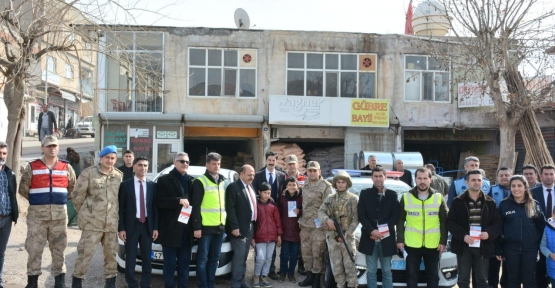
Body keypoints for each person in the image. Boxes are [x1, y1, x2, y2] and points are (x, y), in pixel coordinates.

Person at [18, 136, 76, 288]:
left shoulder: (66, 167)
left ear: (58, 148)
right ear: (42, 148)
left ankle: (60, 282)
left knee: (59, 249)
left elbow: (72, 189)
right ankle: (32, 282)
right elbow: (23, 189)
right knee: (34, 248)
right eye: (48, 146)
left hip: (59, 215)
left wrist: (57, 200)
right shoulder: (32, 167)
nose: (52, 148)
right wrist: (40, 201)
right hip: (37, 216)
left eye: (55, 146)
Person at [71, 145, 123, 288]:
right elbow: (77, 196)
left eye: (112, 158)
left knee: (111, 256)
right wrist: (86, 214)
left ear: (115, 159)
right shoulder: (89, 173)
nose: (110, 160)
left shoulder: (118, 175)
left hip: (111, 224)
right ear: (101, 158)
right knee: (85, 254)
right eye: (107, 157)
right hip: (92, 224)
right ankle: (77, 282)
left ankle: (110, 284)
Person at [447, 169, 502, 288]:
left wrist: (489, 233)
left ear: (482, 182)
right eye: (473, 180)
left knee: (482, 280)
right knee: (463, 280)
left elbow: (497, 223)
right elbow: (450, 222)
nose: (476, 182)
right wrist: (463, 236)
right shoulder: (457, 201)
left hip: (483, 246)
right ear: (467, 182)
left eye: (479, 180)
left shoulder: (490, 202)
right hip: (464, 246)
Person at [397, 167, 448, 288]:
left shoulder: (439, 197)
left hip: (433, 245)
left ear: (430, 180)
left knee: (433, 276)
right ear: (415, 179)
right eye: (419, 178)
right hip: (411, 244)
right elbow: (400, 220)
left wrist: (443, 241)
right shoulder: (406, 197)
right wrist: (399, 240)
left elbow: (445, 221)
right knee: (411, 276)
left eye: (425, 178)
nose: (422, 181)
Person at [497, 175, 546, 288]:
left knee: (529, 281)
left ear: (525, 187)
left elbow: (541, 226)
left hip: (530, 250)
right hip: (510, 249)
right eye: (513, 186)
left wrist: (535, 243)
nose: (516, 189)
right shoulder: (504, 205)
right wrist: (499, 248)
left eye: (519, 185)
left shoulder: (534, 204)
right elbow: (499, 228)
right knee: (513, 280)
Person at [118, 157, 158, 288]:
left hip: (147, 226)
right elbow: (121, 209)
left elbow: (154, 208)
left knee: (147, 257)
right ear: (134, 167)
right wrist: (121, 228)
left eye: (146, 165)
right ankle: (132, 284)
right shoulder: (125, 185)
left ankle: (145, 284)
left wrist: (155, 227)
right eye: (140, 165)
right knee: (130, 258)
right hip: (131, 226)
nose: (143, 168)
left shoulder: (152, 185)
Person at [156, 152, 194, 288]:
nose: (185, 164)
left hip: (186, 231)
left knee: (184, 263)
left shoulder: (190, 180)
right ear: (174, 162)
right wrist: (178, 201)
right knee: (170, 264)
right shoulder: (164, 180)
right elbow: (160, 202)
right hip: (170, 230)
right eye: (182, 161)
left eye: (187, 162)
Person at [357, 166, 400, 288]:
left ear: (385, 177)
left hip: (386, 239)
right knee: (371, 271)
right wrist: (372, 230)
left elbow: (395, 217)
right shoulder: (365, 194)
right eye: (375, 176)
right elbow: (361, 215)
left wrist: (381, 231)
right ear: (372, 177)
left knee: (387, 271)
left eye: (380, 176)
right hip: (369, 238)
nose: (378, 179)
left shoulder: (392, 195)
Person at [190, 152, 226, 288]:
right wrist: (197, 227)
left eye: (218, 164)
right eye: (213, 164)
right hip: (205, 228)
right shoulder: (200, 181)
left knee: (214, 258)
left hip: (220, 227)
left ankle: (211, 284)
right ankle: (203, 285)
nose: (217, 166)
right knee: (202, 259)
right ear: (207, 165)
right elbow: (196, 206)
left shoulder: (222, 181)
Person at [318, 171, 359, 288]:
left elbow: (357, 218)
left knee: (350, 268)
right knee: (337, 268)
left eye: (343, 182)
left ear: (347, 184)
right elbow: (320, 212)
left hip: (347, 239)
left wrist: (348, 233)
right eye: (338, 182)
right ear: (335, 184)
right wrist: (327, 220)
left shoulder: (353, 199)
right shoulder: (330, 199)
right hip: (333, 238)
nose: (341, 185)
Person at [298, 161, 333, 288]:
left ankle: (317, 279)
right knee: (306, 252)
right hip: (305, 225)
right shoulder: (305, 184)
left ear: (319, 172)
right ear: (307, 172)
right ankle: (309, 276)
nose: (312, 173)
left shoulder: (326, 186)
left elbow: (329, 208)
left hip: (319, 227)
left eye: (314, 171)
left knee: (318, 252)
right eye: (310, 171)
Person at [252, 150, 286, 280]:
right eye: (269, 160)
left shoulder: (282, 176)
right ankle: (257, 273)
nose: (271, 163)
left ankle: (270, 270)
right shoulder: (258, 175)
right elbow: (254, 193)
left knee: (272, 245)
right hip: (261, 213)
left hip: (275, 213)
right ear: (266, 161)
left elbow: (282, 194)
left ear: (276, 161)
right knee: (260, 248)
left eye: (273, 160)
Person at [225, 164, 257, 288]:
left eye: (253, 175)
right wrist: (234, 227)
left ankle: (242, 281)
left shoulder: (250, 187)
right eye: (249, 175)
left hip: (249, 227)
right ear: (241, 174)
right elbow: (230, 209)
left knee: (244, 256)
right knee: (238, 257)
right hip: (238, 229)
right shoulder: (233, 187)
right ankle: (236, 283)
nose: (252, 177)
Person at [252, 182, 282, 288]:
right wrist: (252, 237)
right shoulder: (255, 205)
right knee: (260, 258)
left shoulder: (273, 206)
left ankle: (264, 276)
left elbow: (277, 221)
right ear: (259, 192)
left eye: (269, 193)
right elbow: (252, 223)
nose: (267, 195)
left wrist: (279, 235)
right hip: (260, 237)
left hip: (272, 237)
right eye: (265, 193)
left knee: (269, 258)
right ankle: (256, 276)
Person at [486, 167, 512, 288]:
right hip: (495, 231)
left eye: (506, 175)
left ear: (511, 176)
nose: (504, 177)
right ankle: (492, 284)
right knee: (493, 263)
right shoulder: (491, 190)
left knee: (508, 262)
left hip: (510, 231)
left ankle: (505, 284)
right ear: (497, 177)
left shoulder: (516, 190)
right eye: (501, 175)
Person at [531, 164, 555, 288]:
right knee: (540, 271)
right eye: (546, 174)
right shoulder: (532, 193)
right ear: (540, 176)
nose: (549, 177)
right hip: (538, 235)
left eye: (551, 174)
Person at [284, 154, 307, 275]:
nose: (292, 166)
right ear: (286, 165)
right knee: (289, 241)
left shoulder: (304, 178)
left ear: (298, 164)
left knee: (301, 241)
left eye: (294, 163)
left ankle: (301, 265)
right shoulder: (283, 178)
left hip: (302, 213)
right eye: (289, 164)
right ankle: (287, 266)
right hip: (289, 214)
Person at [0, 141, 19, 288]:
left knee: (1, 252)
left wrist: (14, 214)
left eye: (4, 153)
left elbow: (12, 194)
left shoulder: (9, 173)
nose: (2, 156)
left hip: (6, 219)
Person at [278, 177, 302, 283]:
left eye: (294, 185)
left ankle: (291, 273)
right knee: (284, 254)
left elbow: (306, 213)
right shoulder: (282, 199)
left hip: (297, 232)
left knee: (294, 255)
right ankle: (283, 272)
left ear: (297, 186)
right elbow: (278, 214)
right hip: (285, 231)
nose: (292, 187)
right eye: (290, 185)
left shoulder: (301, 198)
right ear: (286, 187)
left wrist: (300, 211)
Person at [539, 210, 555, 287]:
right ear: (553, 215)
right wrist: (550, 254)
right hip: (553, 269)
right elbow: (543, 246)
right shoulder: (548, 228)